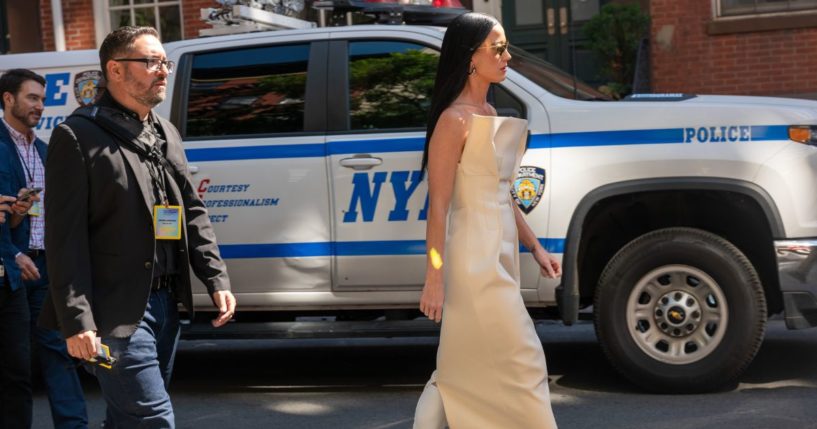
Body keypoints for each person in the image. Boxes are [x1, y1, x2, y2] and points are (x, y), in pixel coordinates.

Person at [40, 26, 236, 428]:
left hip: (164, 304)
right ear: (114, 70)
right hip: (114, 310)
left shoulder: (165, 132)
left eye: (164, 62)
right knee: (153, 418)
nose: (162, 70)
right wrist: (78, 321)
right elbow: (64, 239)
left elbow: (191, 210)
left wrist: (216, 279)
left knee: (127, 419)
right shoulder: (76, 136)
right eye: (150, 61)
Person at [413, 13, 561, 428]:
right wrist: (436, 275)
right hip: (471, 261)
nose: (507, 56)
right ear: (470, 58)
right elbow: (439, 206)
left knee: (460, 366)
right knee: (524, 357)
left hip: (502, 255)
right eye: (498, 48)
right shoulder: (453, 120)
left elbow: (502, 193)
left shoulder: (489, 109)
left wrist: (535, 246)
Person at [0, 68, 89, 429]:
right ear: (8, 99)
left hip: (47, 268)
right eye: (32, 97)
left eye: (42, 98)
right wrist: (12, 253)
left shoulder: (43, 149)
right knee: (16, 367)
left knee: (61, 353)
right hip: (14, 271)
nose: (40, 105)